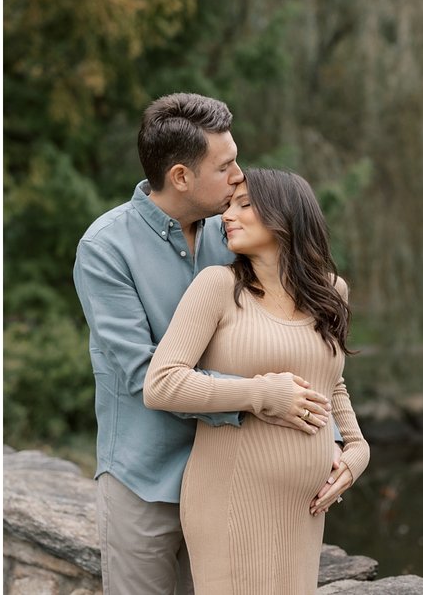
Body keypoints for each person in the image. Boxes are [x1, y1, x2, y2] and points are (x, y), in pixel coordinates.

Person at [73, 93, 339, 595]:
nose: (240, 176)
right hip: (144, 477)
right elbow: (143, 376)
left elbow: (299, 345)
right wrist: (260, 394)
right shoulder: (105, 248)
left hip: (234, 484)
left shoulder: (236, 232)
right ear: (180, 177)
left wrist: (338, 442)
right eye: (226, 166)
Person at [143, 167, 370, 595]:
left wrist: (357, 449)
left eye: (244, 205)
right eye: (228, 205)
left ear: (286, 214)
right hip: (229, 500)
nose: (228, 215)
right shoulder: (217, 286)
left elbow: (330, 381)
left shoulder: (332, 291)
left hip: (303, 509)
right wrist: (260, 394)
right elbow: (162, 383)